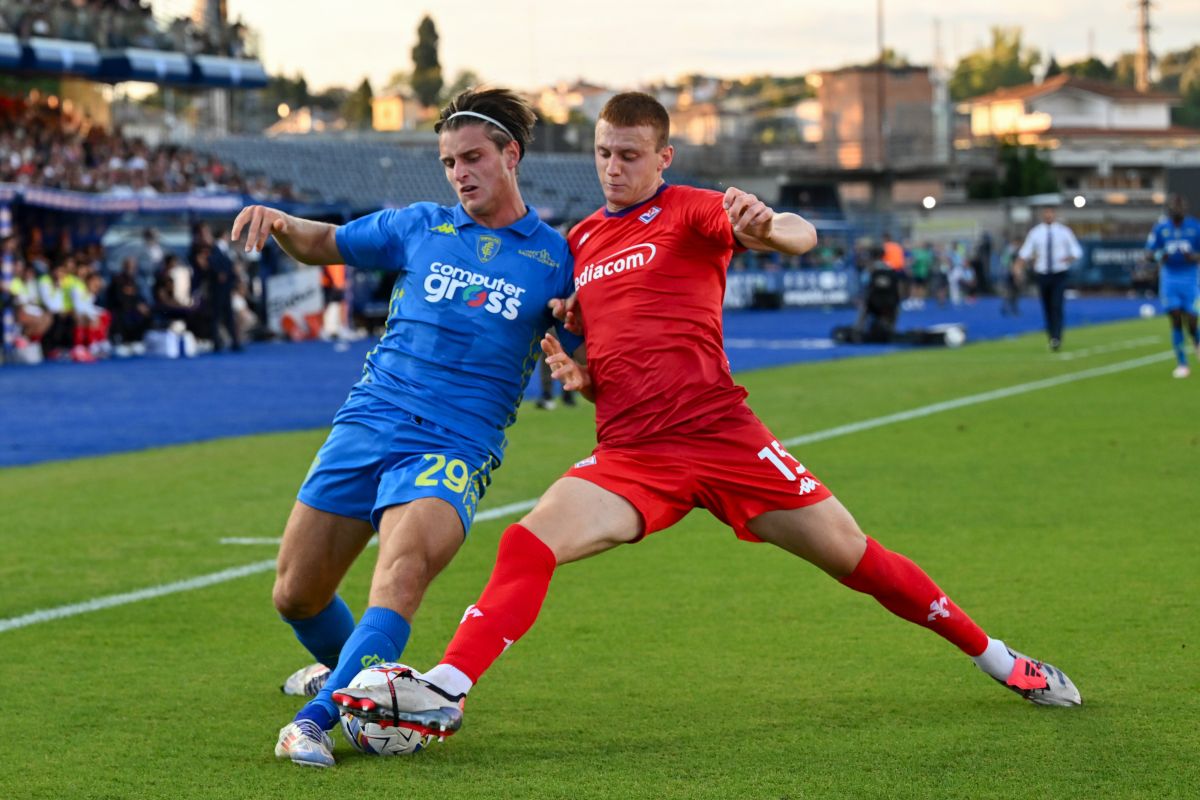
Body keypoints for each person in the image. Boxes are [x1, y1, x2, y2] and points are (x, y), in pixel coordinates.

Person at [333, 92, 1082, 743]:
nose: (613, 167)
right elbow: (615, 352)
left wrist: (772, 224)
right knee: (528, 543)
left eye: (629, 154)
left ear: (665, 156)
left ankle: (999, 658)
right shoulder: (583, 243)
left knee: (859, 561)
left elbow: (796, 233)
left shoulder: (693, 210)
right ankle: (448, 685)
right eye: (602, 153)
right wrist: (587, 375)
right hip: (632, 453)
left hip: (724, 440)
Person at [232, 87, 580, 768]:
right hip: (369, 419)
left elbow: (593, 346)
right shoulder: (419, 225)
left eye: (473, 158)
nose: (460, 174)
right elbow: (325, 242)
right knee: (297, 594)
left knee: (402, 572)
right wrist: (280, 221)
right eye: (450, 162)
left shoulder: (557, 259)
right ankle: (356, 679)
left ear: (511, 155)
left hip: (456, 442)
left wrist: (580, 356)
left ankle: (315, 719)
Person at [1145, 194, 1200, 378]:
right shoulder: (1161, 228)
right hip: (1169, 278)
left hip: (1190, 278)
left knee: (1192, 320)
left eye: (1180, 207)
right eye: (1174, 207)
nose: (1177, 210)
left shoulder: (1195, 227)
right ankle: (1182, 363)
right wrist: (1161, 256)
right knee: (1175, 317)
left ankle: (1196, 340)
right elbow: (1149, 253)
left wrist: (1192, 257)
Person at [1015, 204, 1081, 351]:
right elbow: (1025, 251)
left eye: (1051, 213)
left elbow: (1076, 250)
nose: (1048, 216)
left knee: (1057, 305)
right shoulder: (1036, 233)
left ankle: (1057, 336)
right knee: (1047, 307)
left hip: (1059, 273)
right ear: (1043, 215)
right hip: (1043, 274)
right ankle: (1051, 336)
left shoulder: (1064, 232)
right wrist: (1018, 266)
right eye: (1046, 213)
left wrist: (1069, 258)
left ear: (1054, 214)